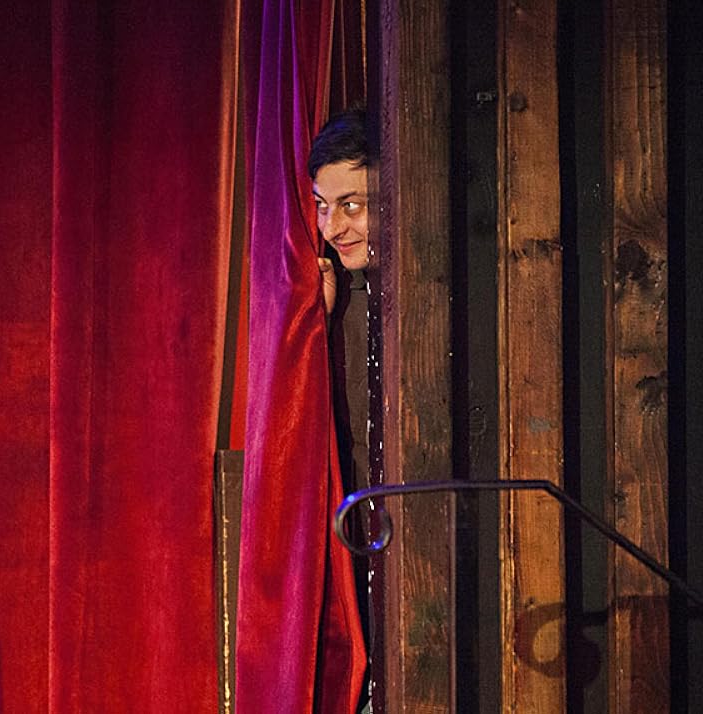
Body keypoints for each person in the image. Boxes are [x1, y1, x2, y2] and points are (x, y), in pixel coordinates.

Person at [308, 108, 372, 714]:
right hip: (357, 542)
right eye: (323, 206)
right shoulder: (339, 298)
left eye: (351, 205)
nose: (334, 226)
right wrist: (318, 325)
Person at [309, 108, 370, 313]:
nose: (329, 231)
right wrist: (320, 319)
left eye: (350, 205)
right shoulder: (343, 292)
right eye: (321, 205)